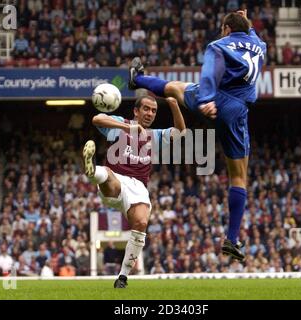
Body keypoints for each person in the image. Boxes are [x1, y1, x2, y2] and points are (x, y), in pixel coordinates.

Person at [127, 10, 266, 261]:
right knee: (239, 177)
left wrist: (206, 99)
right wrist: (246, 22)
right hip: (238, 110)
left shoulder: (219, 45)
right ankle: (232, 239)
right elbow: (249, 32)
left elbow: (209, 72)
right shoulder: (259, 44)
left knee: (175, 87)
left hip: (217, 101)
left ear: (225, 28)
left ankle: (138, 79)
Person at [83, 95, 185, 288]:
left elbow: (180, 132)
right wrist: (126, 127)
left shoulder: (155, 135)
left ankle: (122, 277)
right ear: (136, 111)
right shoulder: (121, 124)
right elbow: (97, 119)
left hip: (138, 187)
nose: (150, 113)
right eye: (146, 109)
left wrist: (173, 105)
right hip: (116, 178)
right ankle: (93, 171)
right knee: (108, 176)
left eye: (153, 110)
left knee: (141, 222)